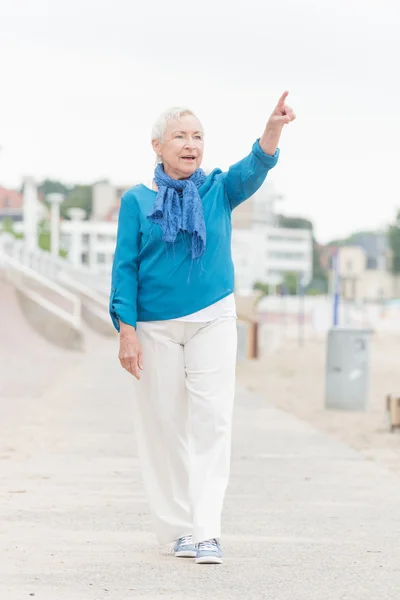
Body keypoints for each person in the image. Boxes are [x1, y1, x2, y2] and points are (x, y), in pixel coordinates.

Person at [109, 92, 295, 565]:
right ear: (157, 145)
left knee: (213, 420)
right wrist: (125, 331)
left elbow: (255, 167)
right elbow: (124, 268)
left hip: (214, 317)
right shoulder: (137, 200)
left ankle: (207, 530)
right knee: (165, 424)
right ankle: (177, 530)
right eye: (180, 136)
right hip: (154, 327)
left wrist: (272, 128)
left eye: (197, 136)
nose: (190, 145)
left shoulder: (218, 189)